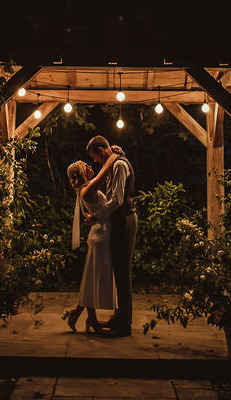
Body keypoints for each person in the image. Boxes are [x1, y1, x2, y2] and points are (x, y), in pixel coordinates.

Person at [62, 150, 119, 333]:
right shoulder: (87, 190)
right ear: (81, 173)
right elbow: (107, 169)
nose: (89, 166)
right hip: (101, 236)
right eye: (85, 166)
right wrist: (113, 154)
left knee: (92, 278)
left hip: (101, 233)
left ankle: (79, 314)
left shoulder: (86, 188)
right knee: (94, 278)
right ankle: (91, 320)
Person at [86, 134, 137, 337]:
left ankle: (124, 324)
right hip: (119, 220)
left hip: (125, 219)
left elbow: (116, 199)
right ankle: (119, 317)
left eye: (95, 158)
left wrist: (96, 216)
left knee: (123, 272)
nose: (96, 163)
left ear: (101, 150)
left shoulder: (119, 165)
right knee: (119, 271)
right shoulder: (114, 162)